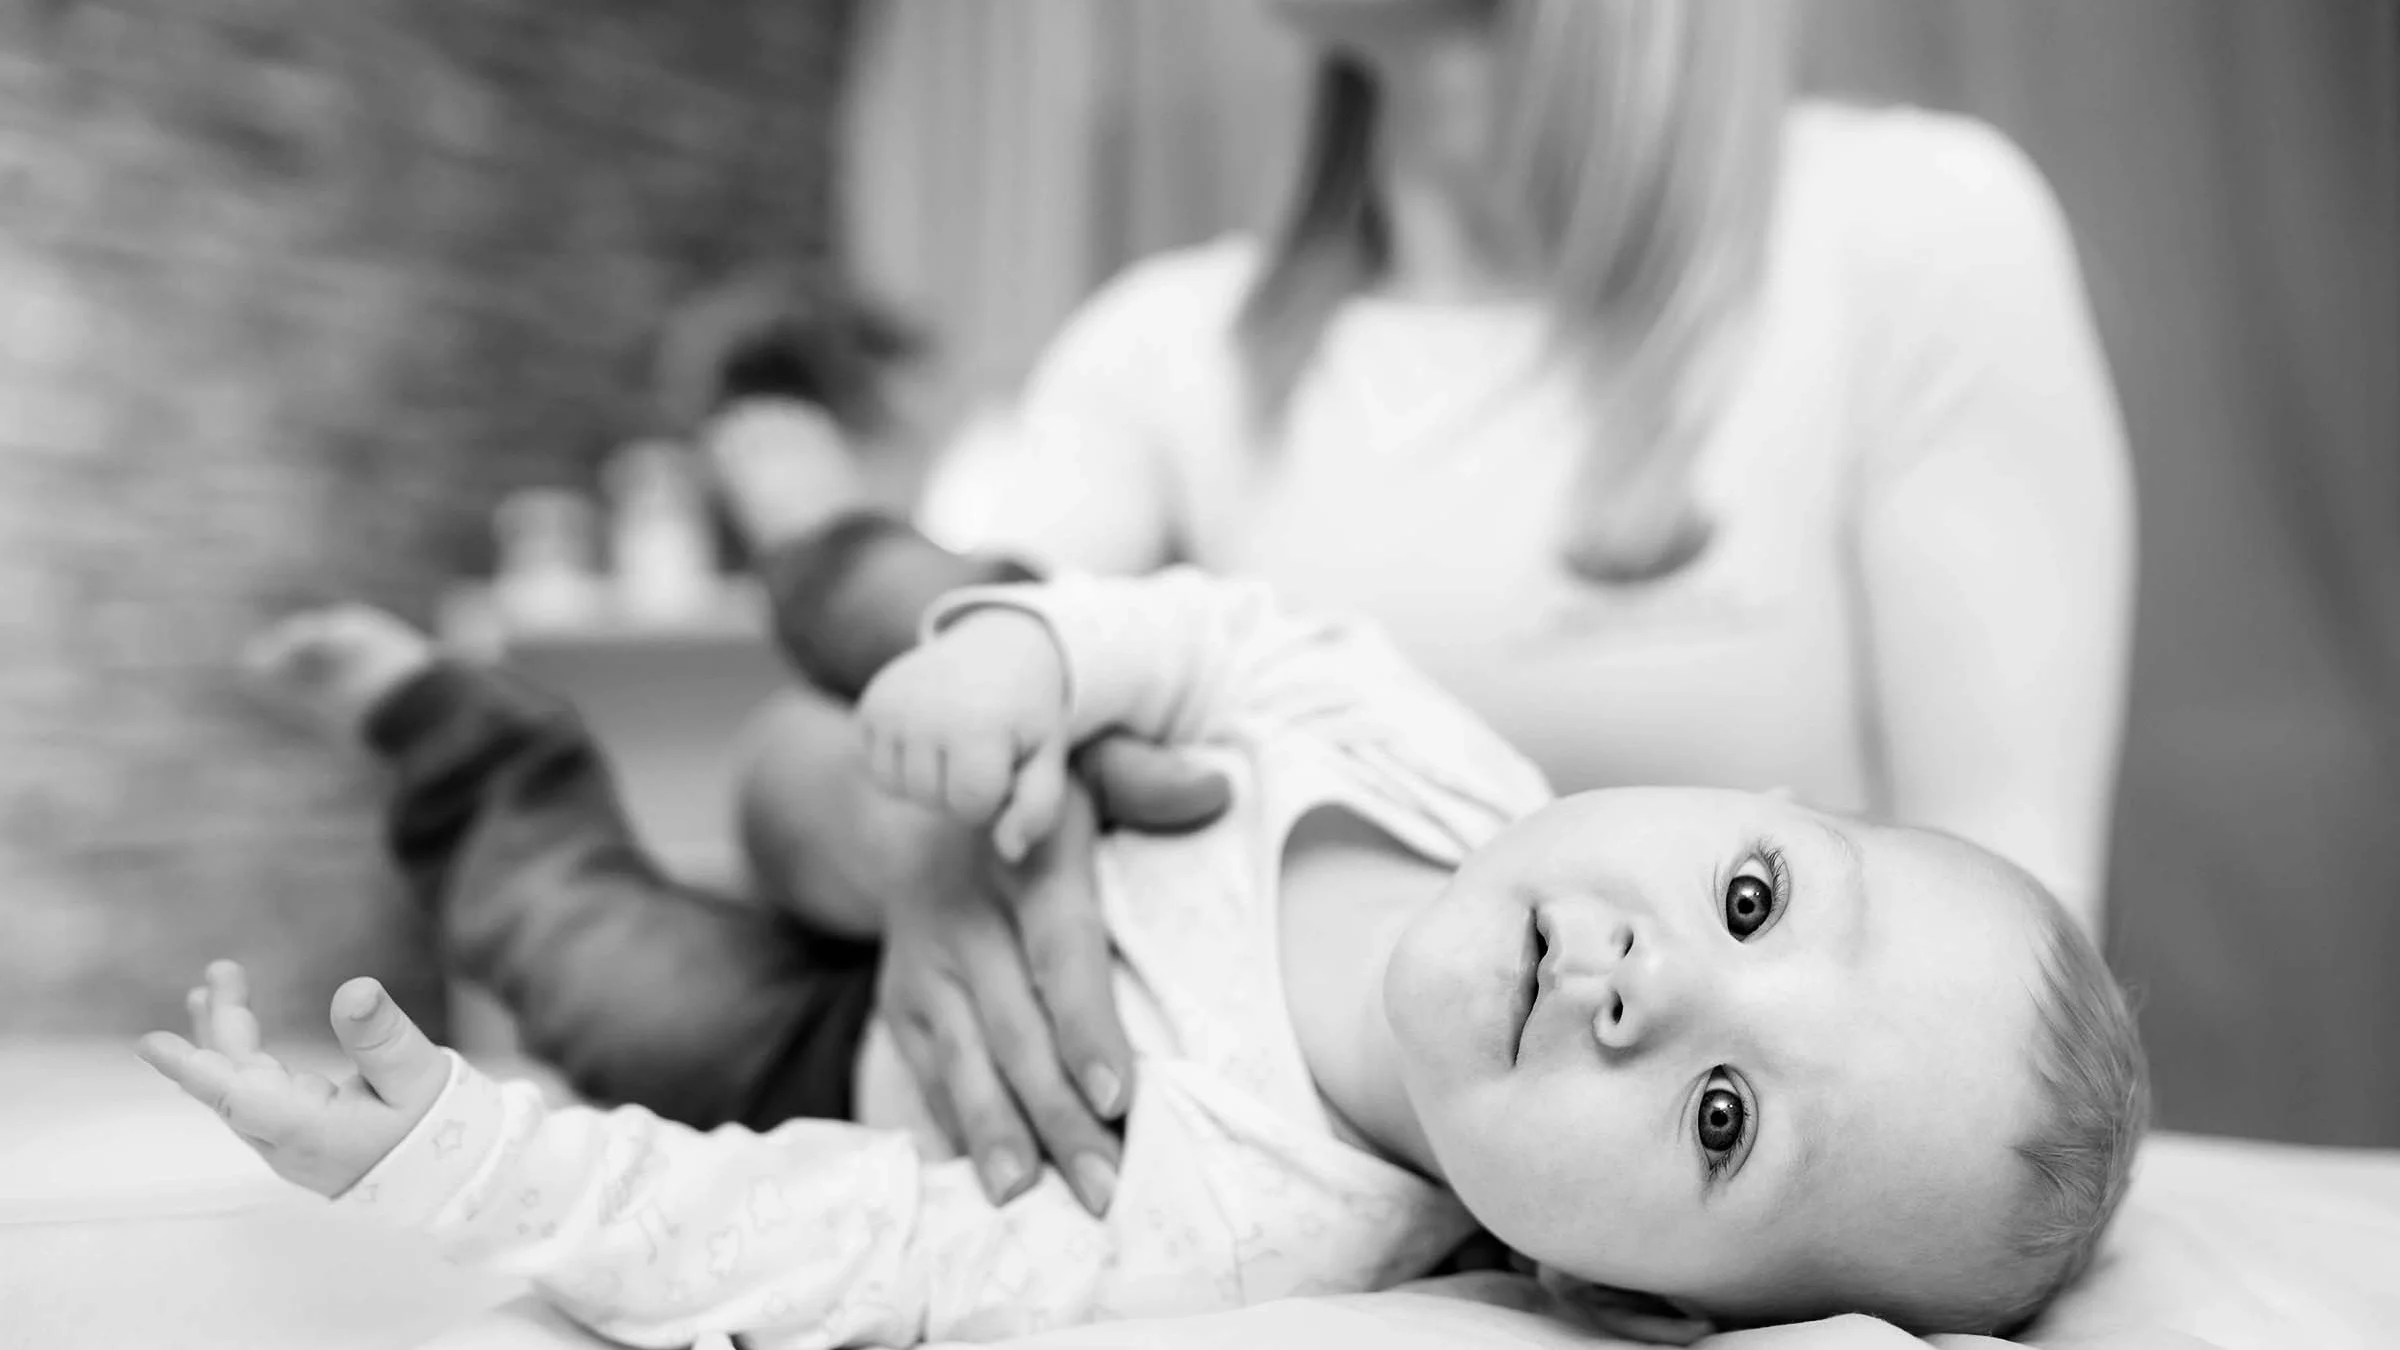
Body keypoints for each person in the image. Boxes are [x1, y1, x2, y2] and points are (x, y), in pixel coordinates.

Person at [697, 0, 2138, 1219]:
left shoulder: (1913, 238)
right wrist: (934, 830)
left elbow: (2020, 940)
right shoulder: (1164, 349)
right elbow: (785, 762)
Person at [142, 566, 2148, 1344]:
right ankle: (801, 506)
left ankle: (458, 737)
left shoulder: (1241, 1231)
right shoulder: (1439, 768)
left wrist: (453, 1162)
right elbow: (1223, 640)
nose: (1661, 989)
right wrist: (1025, 658)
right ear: (1756, 812)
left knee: (573, 949)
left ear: (1620, 1294)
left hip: (812, 1067)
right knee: (913, 584)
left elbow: (845, 1253)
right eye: (1753, 907)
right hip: (937, 788)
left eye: (1726, 1115)